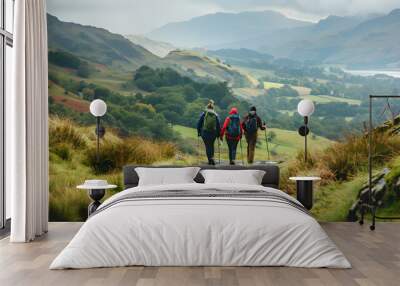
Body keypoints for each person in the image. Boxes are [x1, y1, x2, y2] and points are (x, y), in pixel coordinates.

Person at [197, 100, 221, 165]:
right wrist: (218, 134)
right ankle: (212, 158)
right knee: (211, 145)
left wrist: (198, 132)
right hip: (213, 133)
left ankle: (209, 160)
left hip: (205, 133)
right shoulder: (216, 115)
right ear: (213, 108)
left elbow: (199, 123)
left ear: (207, 107)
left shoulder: (203, 114)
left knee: (207, 146)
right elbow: (218, 125)